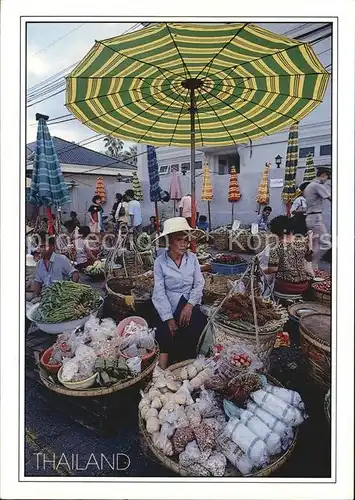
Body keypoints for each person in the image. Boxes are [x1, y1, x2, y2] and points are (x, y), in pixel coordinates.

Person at [152, 217, 207, 369]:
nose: (184, 244)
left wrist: (189, 306)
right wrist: (169, 318)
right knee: (164, 331)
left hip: (190, 301)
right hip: (169, 302)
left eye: (186, 240)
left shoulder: (192, 259)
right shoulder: (160, 262)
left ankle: (186, 364)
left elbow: (199, 283)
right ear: (169, 241)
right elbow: (159, 292)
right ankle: (161, 371)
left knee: (195, 327)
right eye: (179, 240)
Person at [263, 216, 312, 295]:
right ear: (291, 229)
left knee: (269, 281)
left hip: (286, 286)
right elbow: (309, 259)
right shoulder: (302, 242)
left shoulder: (276, 247)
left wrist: (261, 270)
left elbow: (273, 269)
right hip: (304, 284)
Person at [33, 232, 79, 297]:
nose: (43, 249)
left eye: (45, 246)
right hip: (47, 296)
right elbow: (37, 281)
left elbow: (74, 273)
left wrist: (72, 288)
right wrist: (36, 294)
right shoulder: (39, 264)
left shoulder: (62, 259)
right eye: (41, 246)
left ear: (52, 247)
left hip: (62, 295)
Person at [304, 167, 331, 268]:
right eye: (327, 178)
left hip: (311, 217)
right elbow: (330, 197)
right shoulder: (316, 185)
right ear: (324, 175)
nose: (326, 181)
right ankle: (308, 262)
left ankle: (312, 268)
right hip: (315, 218)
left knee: (314, 245)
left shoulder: (309, 186)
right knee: (326, 244)